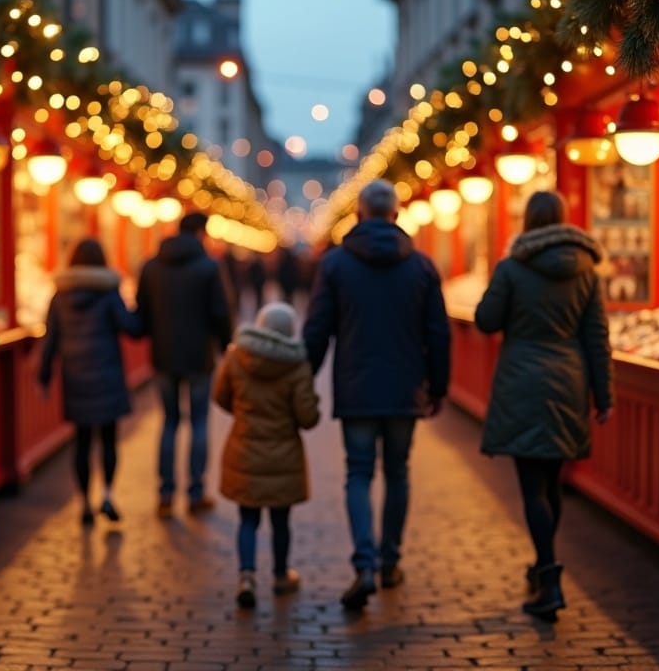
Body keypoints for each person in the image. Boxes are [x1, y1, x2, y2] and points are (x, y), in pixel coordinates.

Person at [303, 179, 451, 611]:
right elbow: (438, 334)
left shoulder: (334, 266)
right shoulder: (421, 267)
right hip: (406, 388)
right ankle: (390, 561)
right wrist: (437, 386)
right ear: (397, 215)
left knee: (359, 473)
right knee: (399, 472)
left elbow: (317, 329)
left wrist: (303, 379)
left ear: (358, 216)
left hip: (356, 386)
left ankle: (364, 564)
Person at [474, 190, 613, 623]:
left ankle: (549, 579)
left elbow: (486, 320)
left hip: (522, 379)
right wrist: (604, 397)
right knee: (552, 483)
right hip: (568, 381)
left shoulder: (512, 268)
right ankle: (541, 568)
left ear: (529, 223)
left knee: (532, 486)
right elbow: (596, 338)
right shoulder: (587, 272)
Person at [213, 302, 320, 609]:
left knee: (247, 519)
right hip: (283, 454)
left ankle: (246, 576)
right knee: (280, 520)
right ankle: (280, 576)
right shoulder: (297, 365)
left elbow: (220, 397)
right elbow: (307, 418)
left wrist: (245, 415)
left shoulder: (236, 357)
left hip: (244, 449)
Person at [37, 238, 142, 527]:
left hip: (76, 377)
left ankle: (84, 502)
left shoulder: (60, 296)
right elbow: (131, 328)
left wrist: (44, 377)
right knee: (108, 439)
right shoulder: (109, 293)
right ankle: (107, 494)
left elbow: (50, 340)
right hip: (107, 374)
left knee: (81, 442)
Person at [136, 211, 233, 518]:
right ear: (201, 233)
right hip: (198, 357)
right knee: (200, 422)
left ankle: (165, 493)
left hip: (164, 356)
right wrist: (225, 346)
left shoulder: (151, 267)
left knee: (169, 422)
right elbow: (221, 313)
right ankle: (195, 492)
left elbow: (142, 314)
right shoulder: (208, 268)